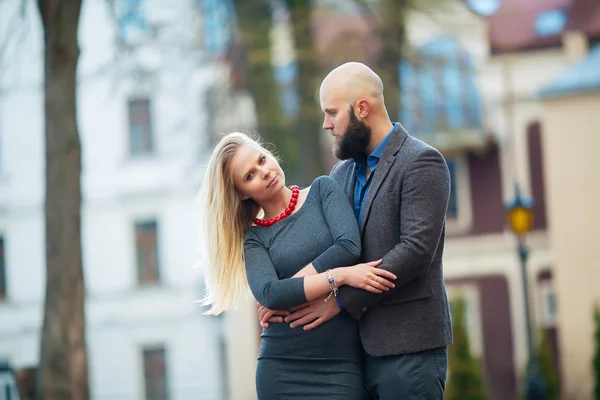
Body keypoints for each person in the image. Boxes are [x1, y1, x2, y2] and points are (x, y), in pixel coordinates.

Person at [258, 62, 453, 399]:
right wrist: (284, 292)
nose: (326, 124)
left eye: (332, 113)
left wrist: (342, 302)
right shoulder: (340, 176)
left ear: (362, 108)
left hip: (408, 350)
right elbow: (326, 247)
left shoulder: (422, 162)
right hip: (350, 358)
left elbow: (416, 250)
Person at [198, 131, 397, 400]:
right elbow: (270, 294)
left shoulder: (322, 190)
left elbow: (348, 246)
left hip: (340, 366)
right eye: (250, 175)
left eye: (262, 159)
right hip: (282, 370)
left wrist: (290, 288)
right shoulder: (254, 238)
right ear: (242, 194)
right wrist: (338, 276)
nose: (265, 172)